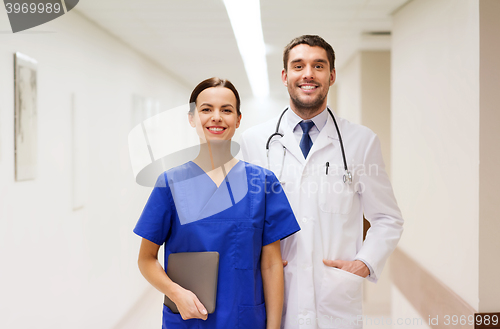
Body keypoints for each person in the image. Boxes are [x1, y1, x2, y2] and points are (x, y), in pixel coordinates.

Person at [240, 35, 404, 329]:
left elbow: (387, 218)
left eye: (318, 66)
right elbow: (245, 220)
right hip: (275, 294)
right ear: (284, 75)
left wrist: (363, 263)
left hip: (334, 300)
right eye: (298, 65)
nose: (308, 74)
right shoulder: (255, 142)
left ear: (331, 75)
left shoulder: (361, 142)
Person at [134, 77, 300, 329]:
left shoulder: (262, 182)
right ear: (191, 118)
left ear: (238, 119)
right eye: (206, 109)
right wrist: (176, 293)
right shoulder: (170, 183)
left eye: (226, 110)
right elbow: (146, 259)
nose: (216, 117)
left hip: (244, 319)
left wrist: (274, 327)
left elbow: (271, 264)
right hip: (189, 320)